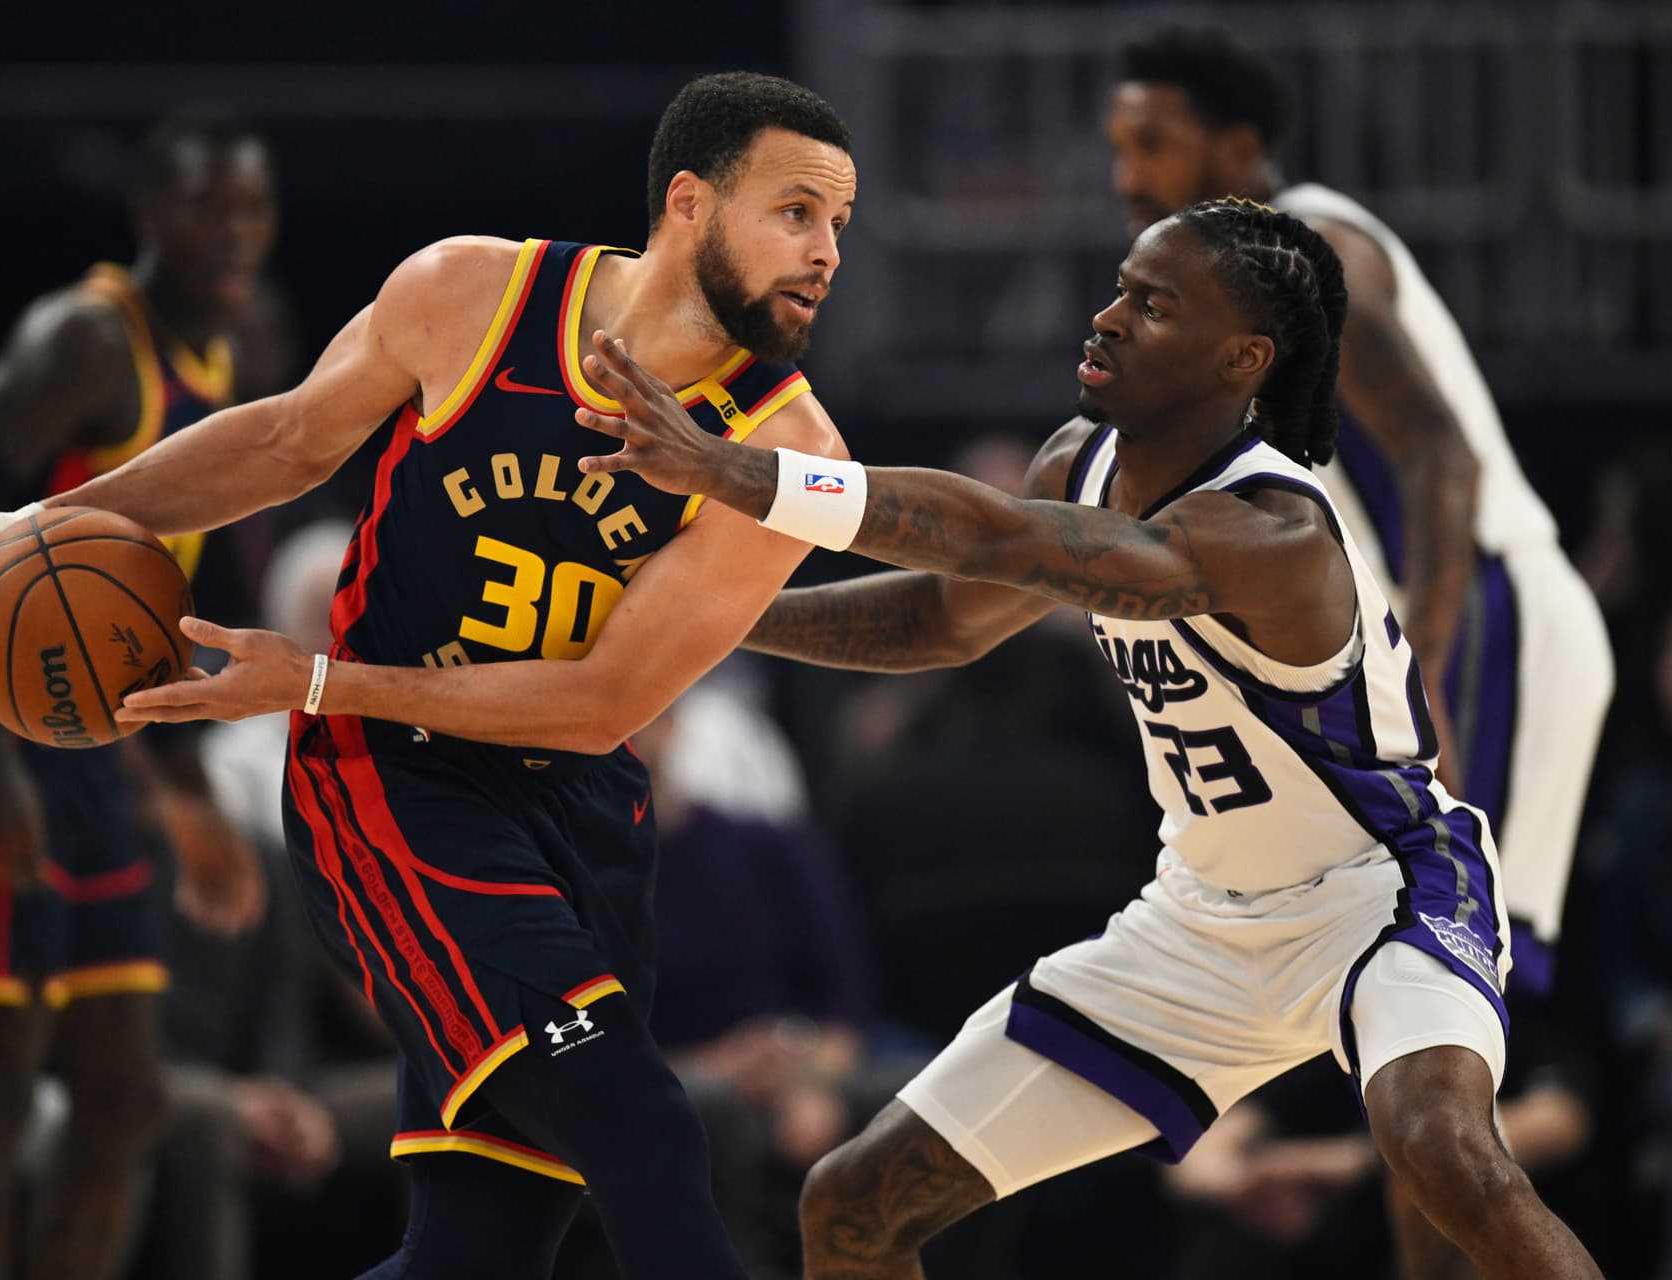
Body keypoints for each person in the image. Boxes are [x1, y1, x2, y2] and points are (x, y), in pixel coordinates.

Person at [571, 197, 1602, 1279]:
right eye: (1119, 288)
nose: (1107, 318)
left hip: (1381, 893)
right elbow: (942, 615)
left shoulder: (1273, 530)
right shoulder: (1081, 459)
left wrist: (740, 474)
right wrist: (716, 623)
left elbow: (997, 536)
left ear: (1240, 356)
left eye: (1153, 306)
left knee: (1444, 1151)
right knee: (853, 1202)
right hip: (1198, 923)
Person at [0, 71, 856, 1280]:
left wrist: (316, 678)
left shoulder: (785, 452)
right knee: (645, 1126)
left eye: (841, 224)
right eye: (798, 211)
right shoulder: (475, 293)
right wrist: (52, 516)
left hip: (576, 810)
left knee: (481, 1245)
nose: (826, 250)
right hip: (390, 783)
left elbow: (600, 705)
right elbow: (282, 439)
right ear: (689, 203)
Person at [1104, 27, 1613, 999]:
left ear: (1239, 151)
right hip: (1416, 633)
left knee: (1449, 969)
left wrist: (1421, 674)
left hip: (1486, 609)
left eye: (1153, 145)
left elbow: (1439, 455)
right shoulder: (1224, 303)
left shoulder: (1318, 245)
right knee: (1390, 975)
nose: (1128, 179)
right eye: (1120, 149)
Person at [0, 109, 271, 1280]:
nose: (231, 230)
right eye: (204, 202)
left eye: (251, 206)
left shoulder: (223, 364)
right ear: (149, 211)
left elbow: (142, 622)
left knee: (124, 1097)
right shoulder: (86, 342)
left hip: (89, 744)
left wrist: (193, 793)